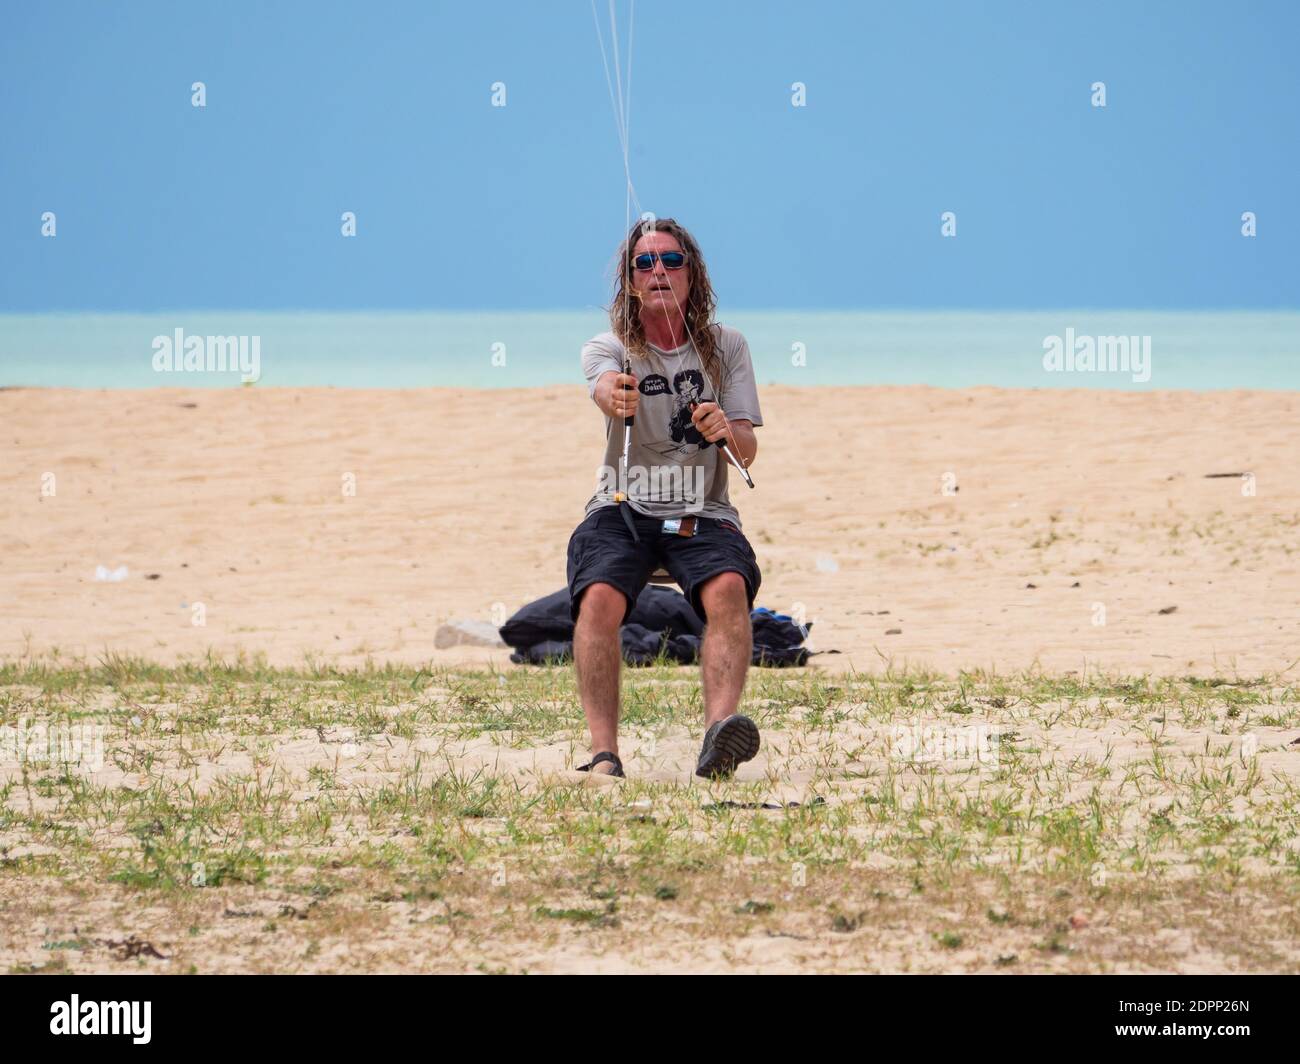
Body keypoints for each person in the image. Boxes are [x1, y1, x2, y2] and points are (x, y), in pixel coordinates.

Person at [566, 216, 764, 780]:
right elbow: (603, 387)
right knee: (599, 599)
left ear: (692, 275)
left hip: (701, 509)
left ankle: (720, 736)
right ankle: (605, 753)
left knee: (728, 588)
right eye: (645, 263)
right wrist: (613, 393)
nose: (658, 271)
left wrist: (727, 428)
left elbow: (746, 455)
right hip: (622, 506)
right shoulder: (610, 346)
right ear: (630, 282)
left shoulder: (727, 347)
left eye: (671, 261)